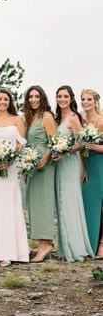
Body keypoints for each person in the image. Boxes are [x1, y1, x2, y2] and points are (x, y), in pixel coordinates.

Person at [0, 88, 29, 267]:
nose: (2, 102)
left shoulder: (17, 119)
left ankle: (9, 251)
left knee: (10, 206)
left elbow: (21, 144)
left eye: (6, 99)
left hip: (10, 168)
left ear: (10, 101)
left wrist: (9, 160)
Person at [54, 85, 94, 262]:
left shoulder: (73, 117)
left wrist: (66, 152)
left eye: (65, 96)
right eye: (59, 96)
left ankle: (76, 248)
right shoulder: (57, 118)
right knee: (62, 201)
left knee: (70, 201)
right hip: (59, 164)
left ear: (71, 98)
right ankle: (65, 247)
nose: (62, 99)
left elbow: (81, 144)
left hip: (70, 163)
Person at [23, 85, 56, 263]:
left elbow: (54, 142)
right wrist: (28, 167)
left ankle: (46, 244)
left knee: (43, 202)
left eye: (36, 96)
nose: (33, 100)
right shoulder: (31, 117)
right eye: (30, 97)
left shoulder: (47, 116)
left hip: (45, 165)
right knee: (33, 202)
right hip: (33, 166)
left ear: (42, 98)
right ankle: (41, 241)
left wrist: (43, 160)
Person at [81, 89, 103, 258]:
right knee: (89, 205)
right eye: (83, 99)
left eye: (89, 99)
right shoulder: (82, 121)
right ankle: (90, 245)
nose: (85, 102)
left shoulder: (100, 121)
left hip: (100, 165)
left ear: (96, 102)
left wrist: (96, 147)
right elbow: (81, 149)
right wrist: (83, 168)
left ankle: (101, 245)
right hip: (88, 167)